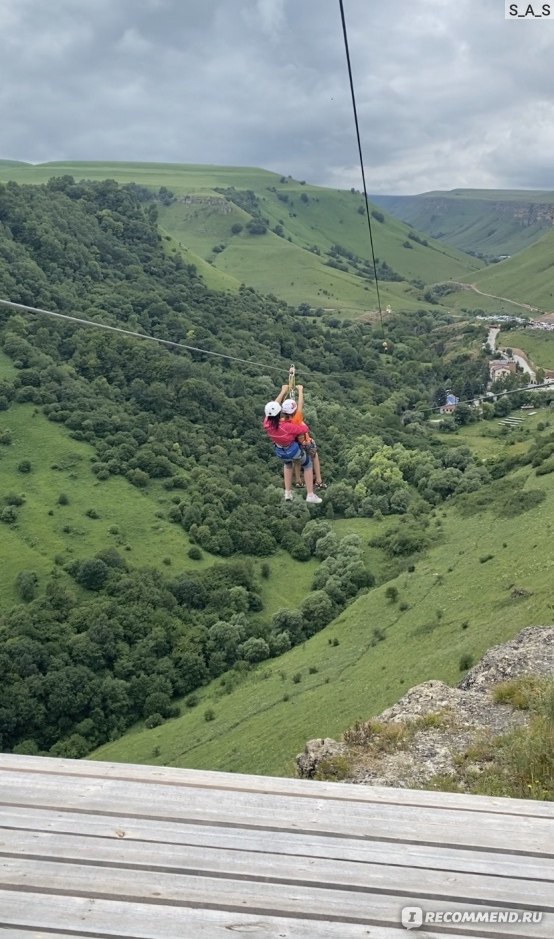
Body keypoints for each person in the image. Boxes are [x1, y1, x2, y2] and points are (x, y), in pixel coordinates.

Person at [263, 399, 322, 504]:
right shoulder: (287, 426)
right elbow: (304, 429)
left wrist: (283, 391)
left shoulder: (267, 424)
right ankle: (310, 494)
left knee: (288, 465)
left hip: (280, 452)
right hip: (293, 451)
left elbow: (272, 411)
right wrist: (300, 421)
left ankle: (288, 492)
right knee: (307, 465)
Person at [277, 384, 326, 490]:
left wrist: (283, 391)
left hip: (293, 445)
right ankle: (318, 480)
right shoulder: (297, 419)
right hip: (304, 442)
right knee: (314, 455)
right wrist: (300, 390)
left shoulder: (281, 422)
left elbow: (275, 408)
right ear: (294, 411)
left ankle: (298, 480)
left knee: (297, 459)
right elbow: (300, 404)